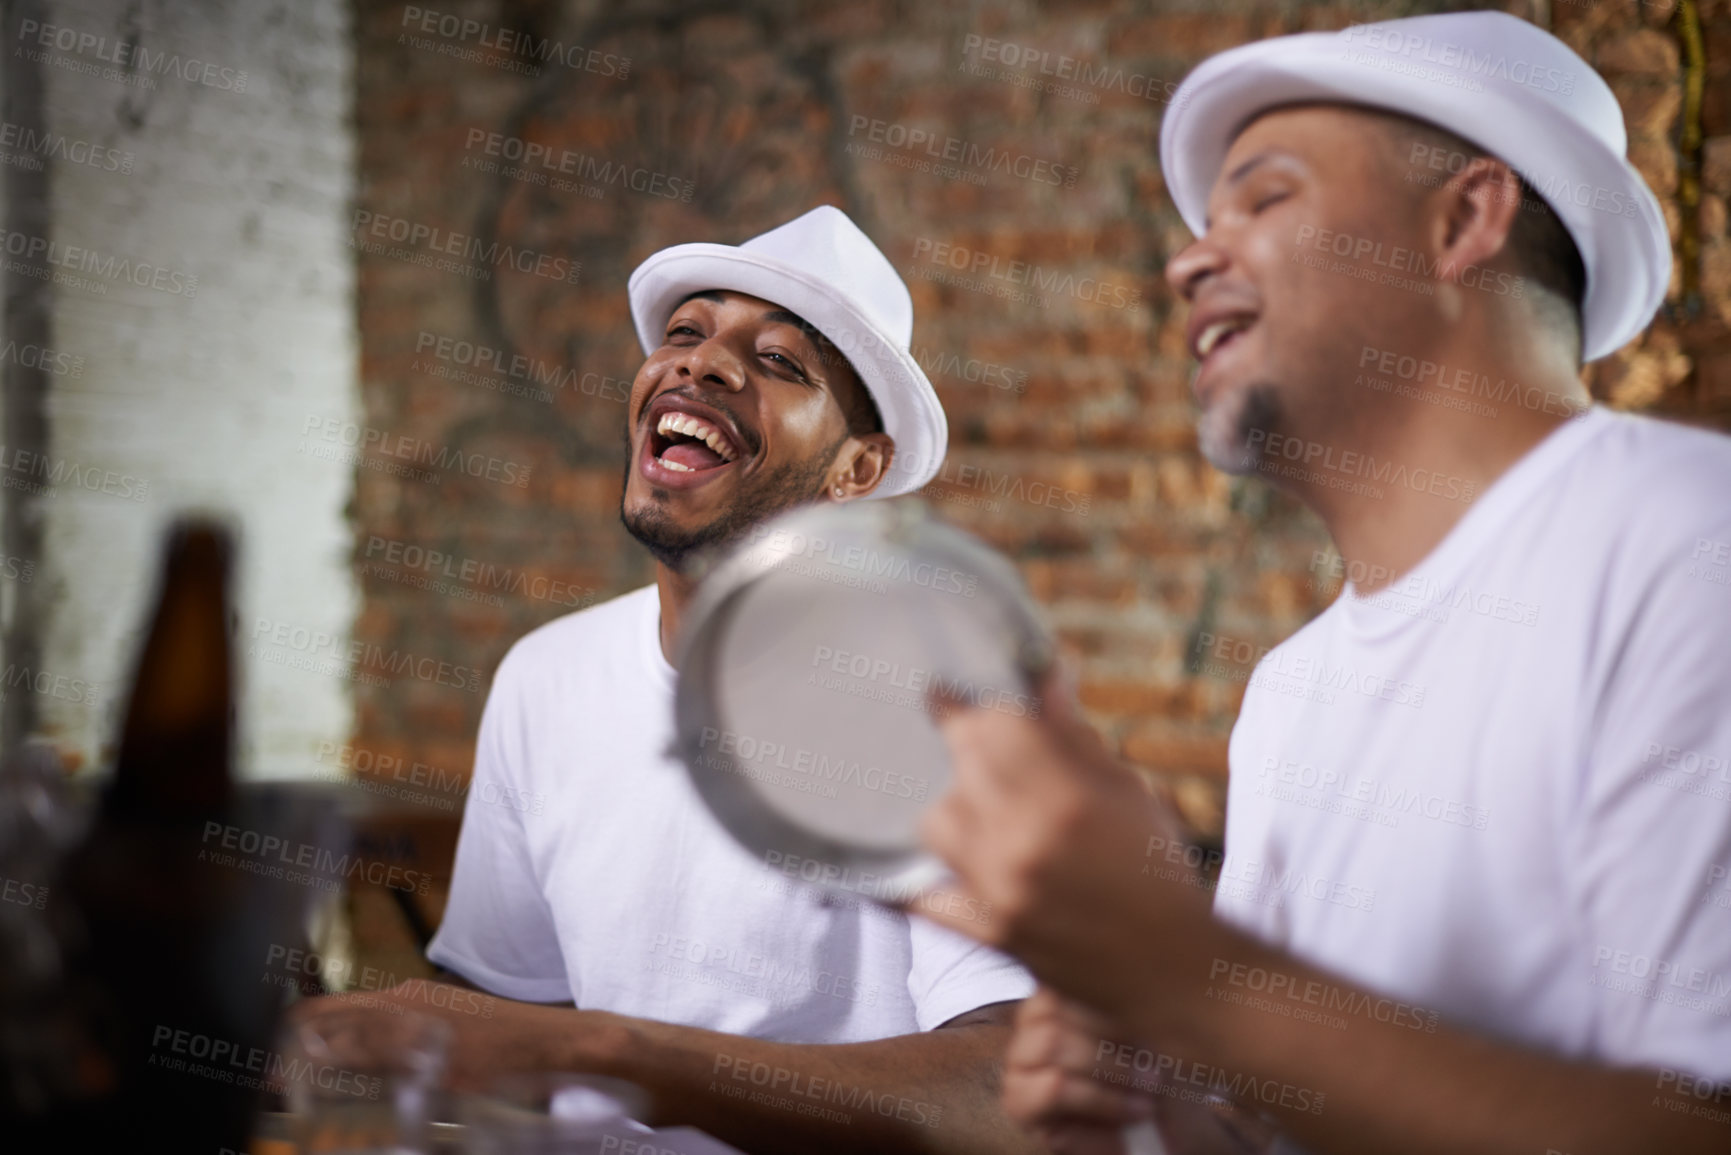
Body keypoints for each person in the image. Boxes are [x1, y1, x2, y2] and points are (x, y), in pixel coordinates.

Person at [913, 12, 1731, 1155]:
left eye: (1265, 197)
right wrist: (1146, 1101)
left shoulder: (1692, 539)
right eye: (1205, 221)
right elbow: (1270, 1124)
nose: (1189, 257)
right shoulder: (1292, 692)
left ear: (1465, 219)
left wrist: (1181, 977)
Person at [301, 206, 1040, 1155]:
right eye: (686, 332)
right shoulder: (546, 676)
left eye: (779, 362)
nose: (702, 362)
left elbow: (1008, 1093)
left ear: (858, 469)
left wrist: (603, 1052)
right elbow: (517, 1017)